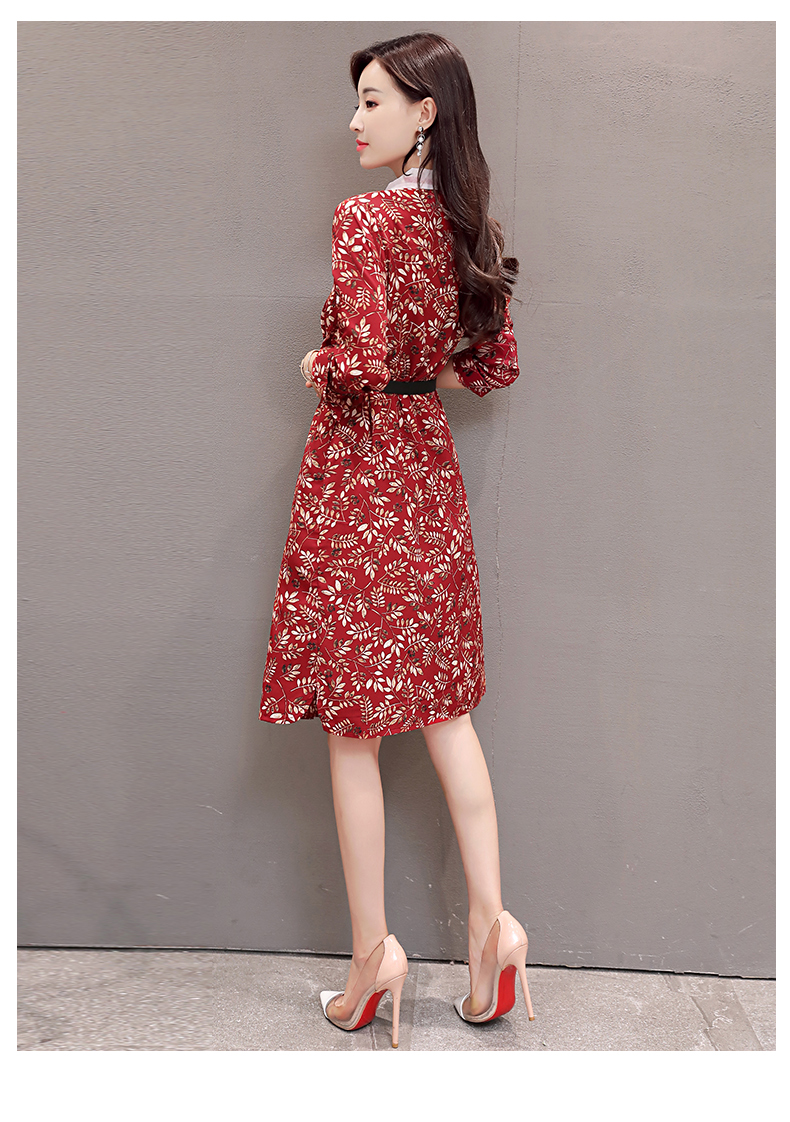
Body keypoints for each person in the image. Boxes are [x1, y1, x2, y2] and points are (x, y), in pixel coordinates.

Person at [258, 32, 535, 1047]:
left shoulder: (365, 218)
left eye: (372, 101)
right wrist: (423, 374)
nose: (354, 120)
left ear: (426, 112)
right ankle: (495, 932)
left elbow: (362, 360)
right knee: (446, 713)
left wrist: (317, 363)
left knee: (354, 728)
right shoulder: (467, 226)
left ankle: (371, 956)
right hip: (428, 471)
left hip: (364, 476)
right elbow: (492, 368)